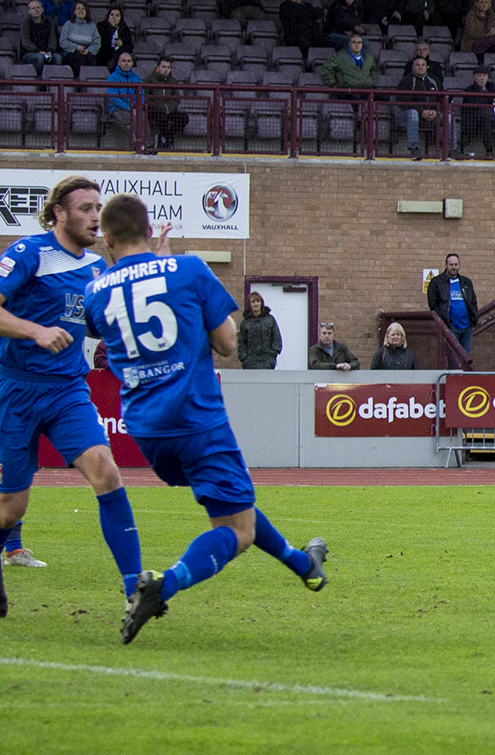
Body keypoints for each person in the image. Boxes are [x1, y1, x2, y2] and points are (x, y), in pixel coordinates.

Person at [82, 195, 328, 642]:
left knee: (234, 503)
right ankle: (162, 584)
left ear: (109, 237)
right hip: (197, 417)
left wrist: (148, 270)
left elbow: (112, 319)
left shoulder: (95, 290)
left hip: (146, 430)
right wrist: (169, 273)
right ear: (149, 227)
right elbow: (228, 344)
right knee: (236, 530)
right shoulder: (189, 269)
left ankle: (303, 564)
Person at [0, 177, 153, 614]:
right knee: (9, 509)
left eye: (97, 208)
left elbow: (102, 322)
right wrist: (35, 330)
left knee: (106, 471)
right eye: (84, 208)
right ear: (59, 214)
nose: (93, 216)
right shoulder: (29, 253)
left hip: (68, 390)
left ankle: (134, 589)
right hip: (15, 389)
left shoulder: (94, 270)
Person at [235, 291, 283, 370]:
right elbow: (242, 342)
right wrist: (244, 358)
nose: (256, 304)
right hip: (250, 363)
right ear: (249, 304)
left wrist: (272, 354)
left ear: (261, 303)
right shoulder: (245, 323)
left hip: (267, 361)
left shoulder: (270, 319)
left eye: (258, 301)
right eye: (253, 302)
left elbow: (276, 337)